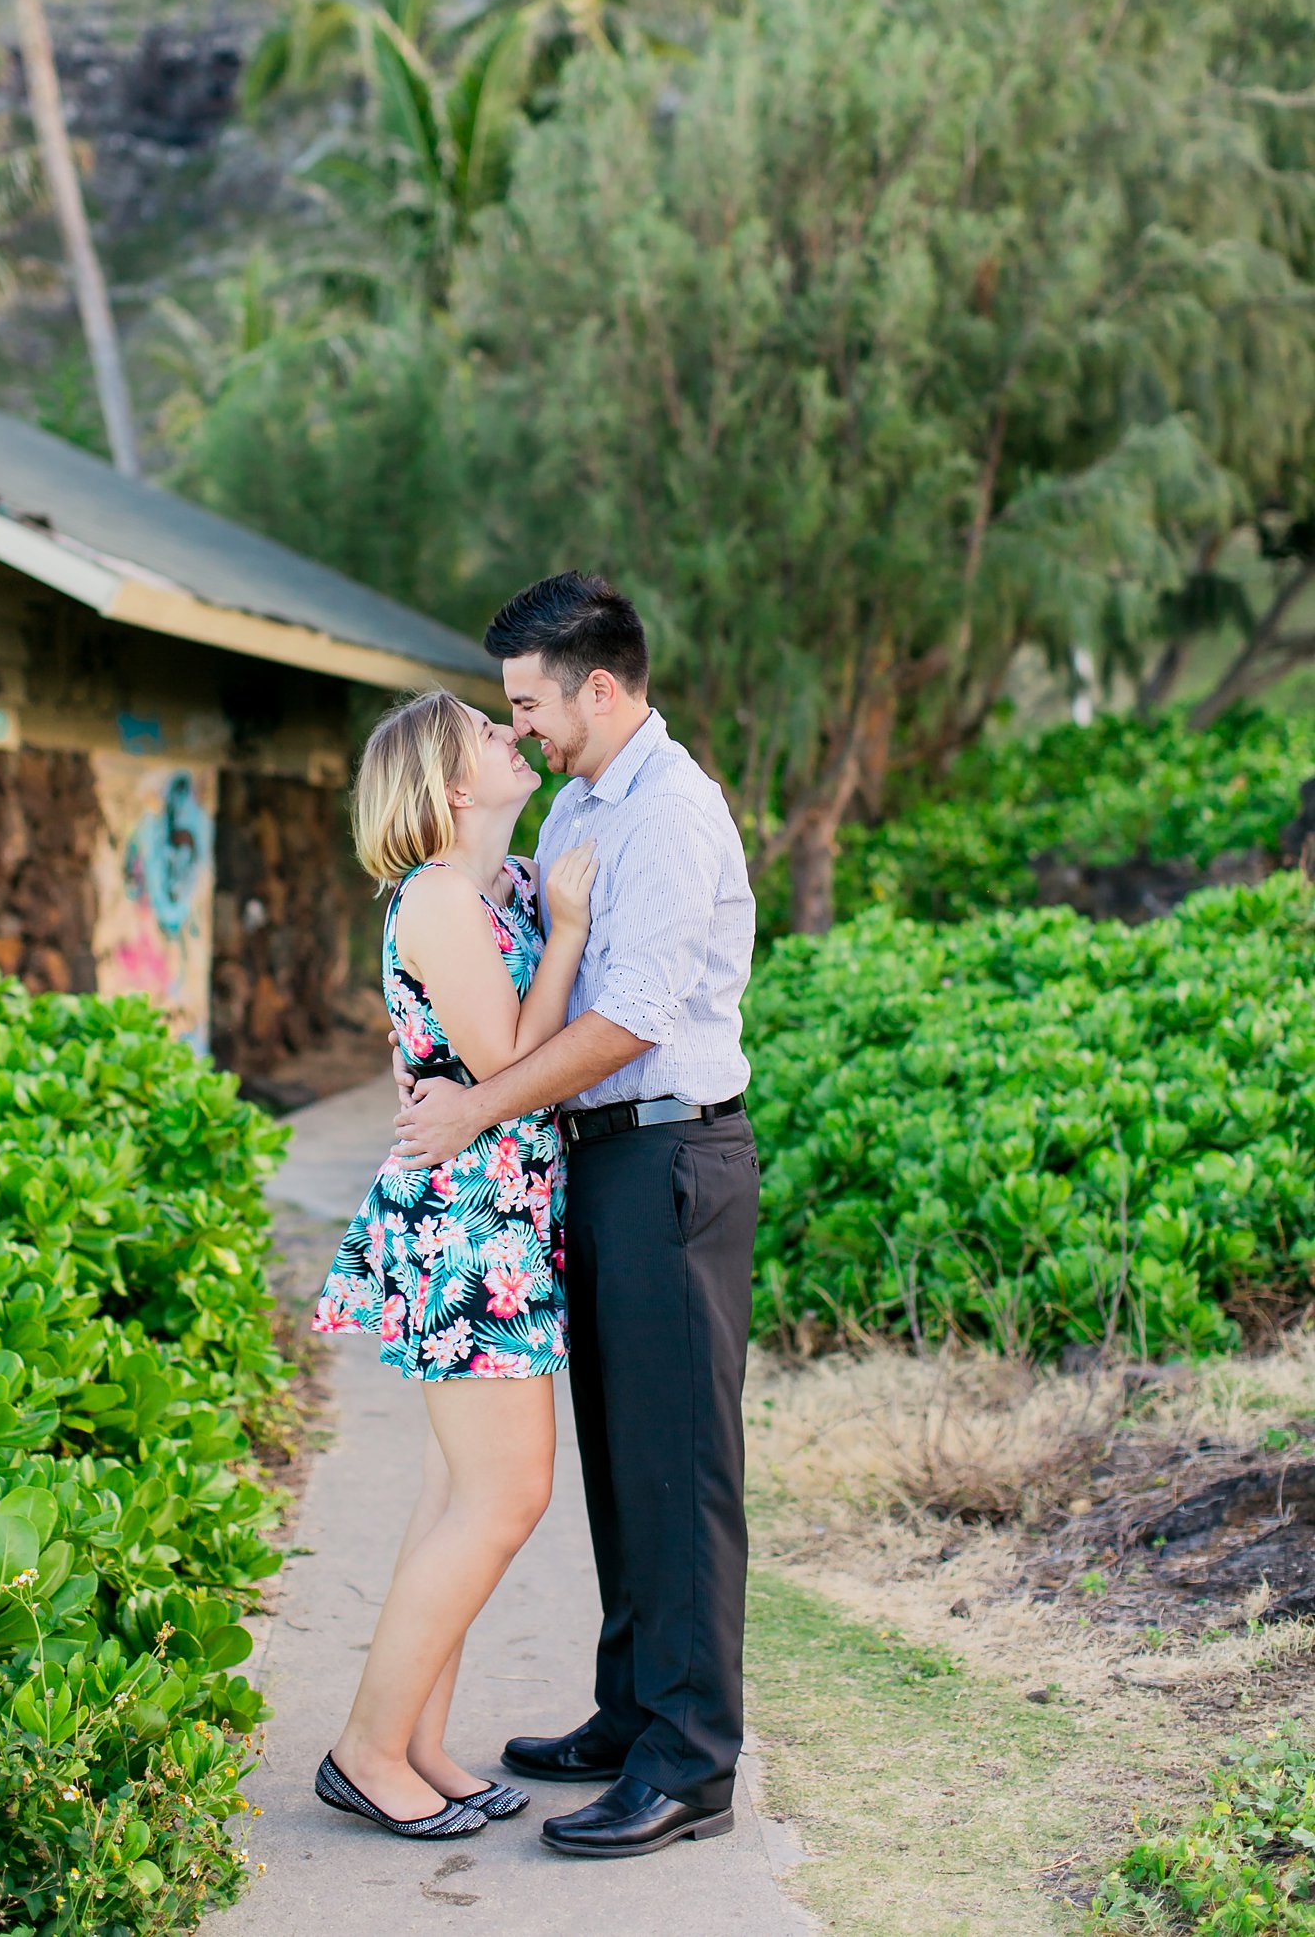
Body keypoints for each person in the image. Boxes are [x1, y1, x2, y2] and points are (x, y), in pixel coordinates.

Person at [392, 572, 759, 1862]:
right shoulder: (587, 800)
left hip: (668, 1158)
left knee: (681, 1468)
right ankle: (627, 1712)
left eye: (530, 703)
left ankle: (688, 1762)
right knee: (621, 1458)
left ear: (599, 688)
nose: (523, 728)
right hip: (597, 1164)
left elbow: (627, 1022)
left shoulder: (667, 812)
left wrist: (479, 1106)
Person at [310, 688, 598, 1841]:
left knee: (455, 1497)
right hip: (468, 1226)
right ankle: (366, 1747)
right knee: (503, 1493)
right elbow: (507, 1059)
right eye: (487, 730)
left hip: (499, 1215)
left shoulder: (489, 889)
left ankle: (419, 1742)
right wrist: (569, 933)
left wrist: (547, 907)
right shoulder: (436, 898)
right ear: (448, 787)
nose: (510, 733)